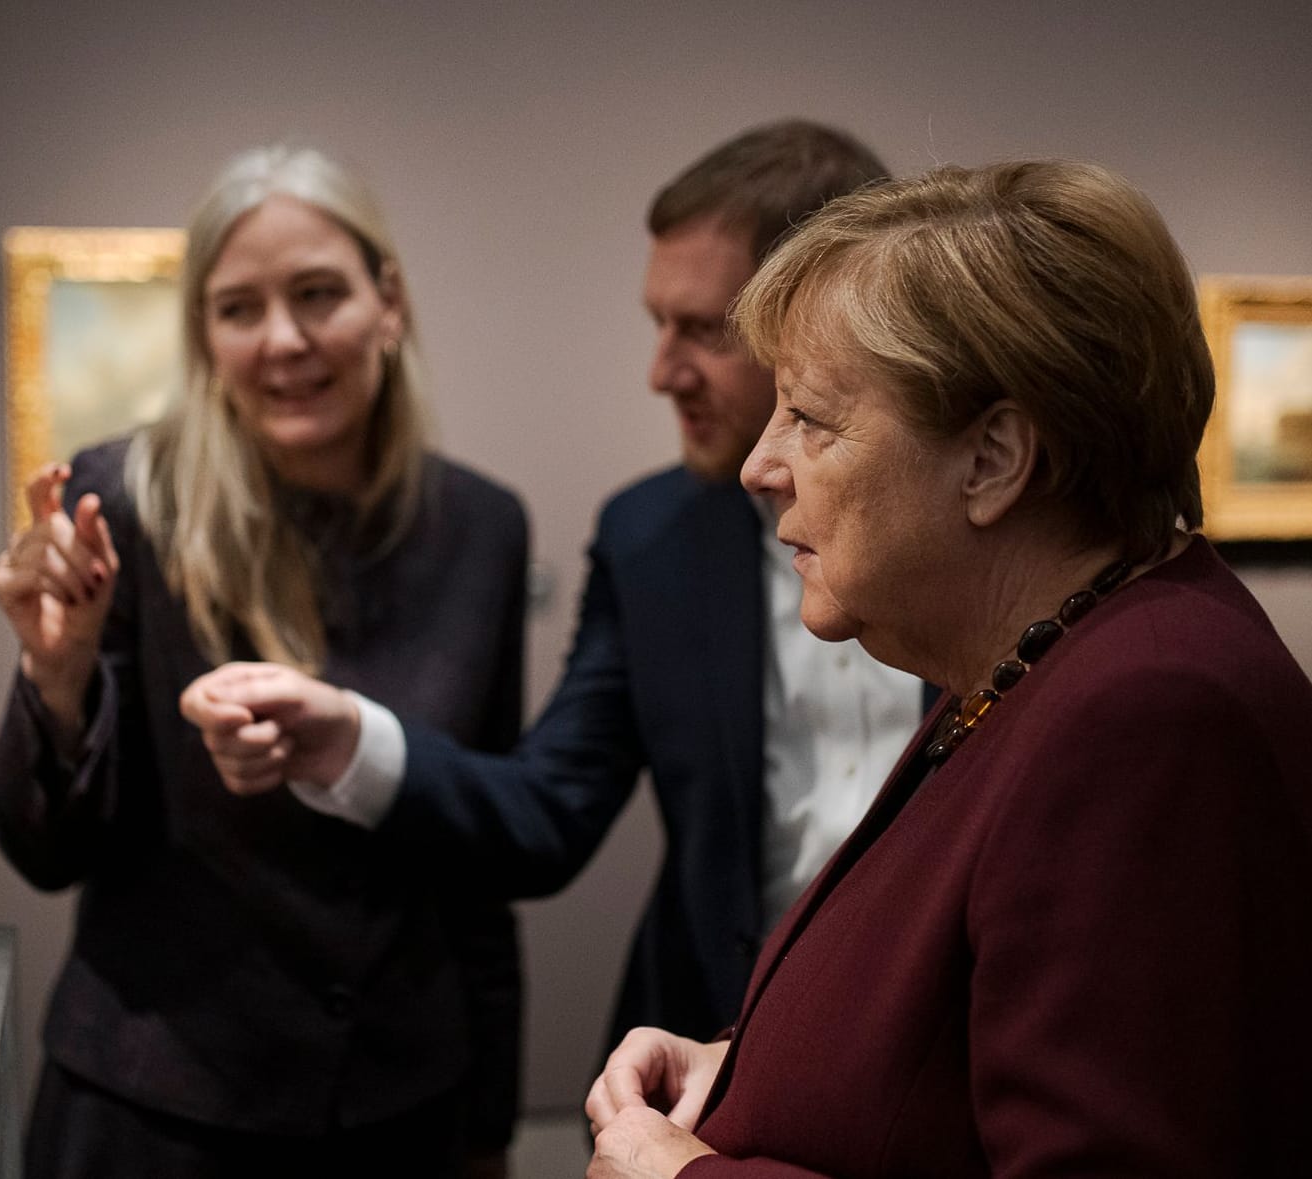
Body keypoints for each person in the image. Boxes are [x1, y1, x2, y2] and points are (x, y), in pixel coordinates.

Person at [584, 159, 1312, 1177]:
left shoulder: (1146, 717)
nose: (761, 465)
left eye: (810, 418)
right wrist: (746, 1067)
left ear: (991, 461)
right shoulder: (1042, 658)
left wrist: (685, 1178)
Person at [182, 121, 928, 1058]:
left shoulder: (975, 524)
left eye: (702, 330)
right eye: (656, 324)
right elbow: (544, 816)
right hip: (707, 1067)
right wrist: (348, 739)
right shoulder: (649, 541)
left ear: (826, 320)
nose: (661, 372)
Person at [0, 144, 528, 1178]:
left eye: (317, 294)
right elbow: (46, 853)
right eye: (238, 309)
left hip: (401, 1108)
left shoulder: (480, 528)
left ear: (388, 303)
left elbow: (479, 853)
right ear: (203, 335)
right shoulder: (126, 502)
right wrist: (56, 684)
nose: (283, 340)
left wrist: (490, 1122)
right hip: (155, 1107)